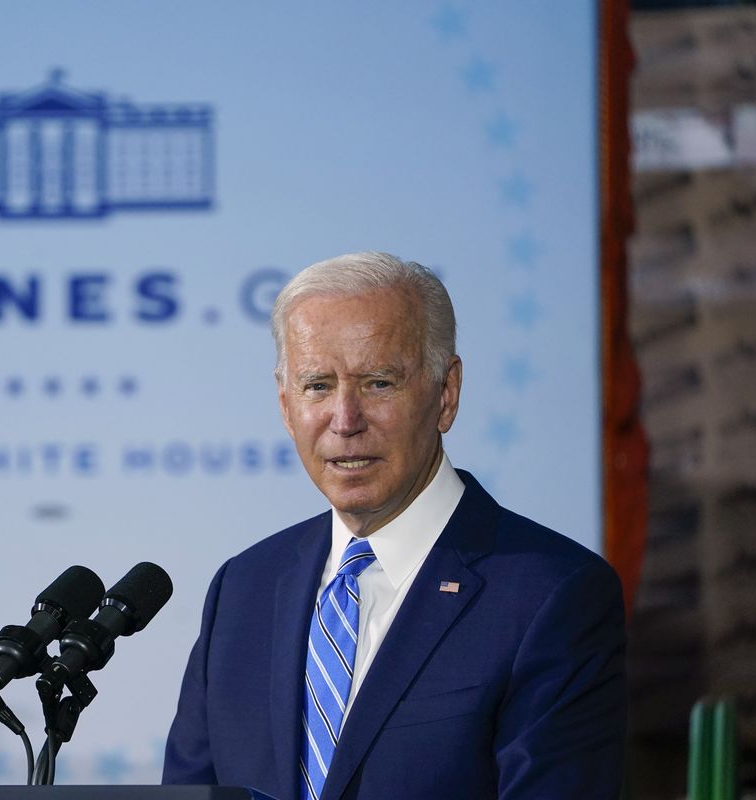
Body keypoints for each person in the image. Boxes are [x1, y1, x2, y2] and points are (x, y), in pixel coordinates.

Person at [161, 252, 626, 799]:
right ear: (286, 406)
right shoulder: (243, 590)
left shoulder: (550, 594)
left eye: (378, 383)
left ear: (446, 394)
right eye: (317, 386)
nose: (346, 420)